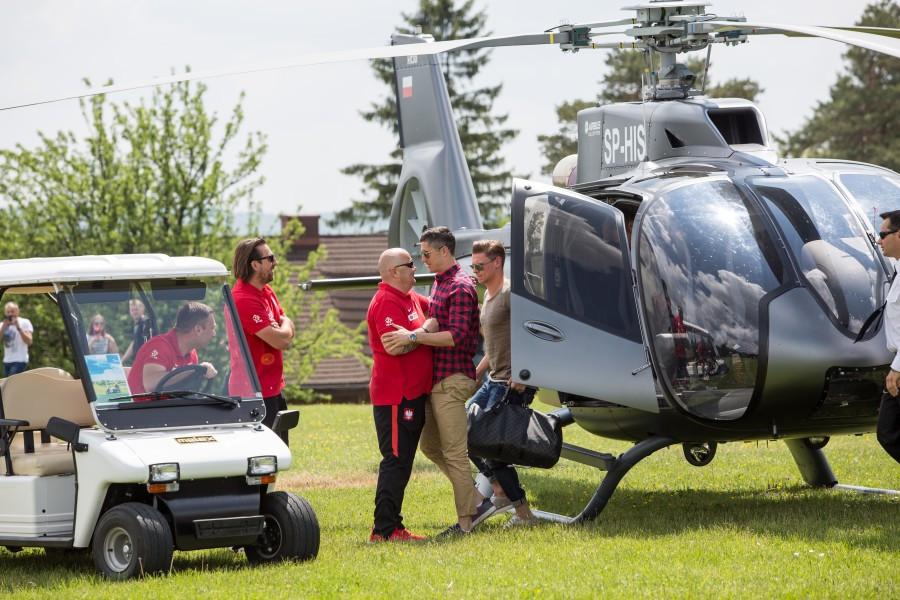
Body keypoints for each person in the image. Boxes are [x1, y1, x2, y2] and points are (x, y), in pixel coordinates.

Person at [382, 226, 494, 536]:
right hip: (437, 381)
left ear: (444, 251)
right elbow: (434, 319)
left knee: (455, 452)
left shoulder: (460, 287)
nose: (422, 259)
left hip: (452, 380)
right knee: (431, 446)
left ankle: (466, 524)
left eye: (426, 254)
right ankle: (477, 499)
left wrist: (413, 337)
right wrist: (416, 333)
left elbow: (456, 336)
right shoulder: (440, 282)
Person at [466, 240, 538, 526]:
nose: (475, 270)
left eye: (479, 265)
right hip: (492, 380)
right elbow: (496, 346)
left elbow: (531, 334)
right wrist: (477, 372)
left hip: (510, 385)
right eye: (473, 266)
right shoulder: (487, 295)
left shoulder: (510, 294)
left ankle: (524, 514)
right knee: (461, 430)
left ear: (497, 262)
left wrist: (522, 374)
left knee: (494, 448)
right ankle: (499, 489)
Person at [366, 248, 432, 543]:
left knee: (403, 461)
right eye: (410, 264)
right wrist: (423, 333)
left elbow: (437, 312)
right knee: (395, 460)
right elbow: (394, 346)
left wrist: (417, 333)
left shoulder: (411, 298)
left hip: (412, 393)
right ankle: (383, 530)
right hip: (396, 396)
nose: (416, 268)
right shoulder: (386, 301)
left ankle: (392, 525)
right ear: (394, 272)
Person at [230, 237, 294, 444]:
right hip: (254, 394)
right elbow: (281, 341)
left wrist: (284, 324)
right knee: (266, 455)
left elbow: (285, 324)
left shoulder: (266, 291)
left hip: (272, 388)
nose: (275, 262)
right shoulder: (243, 299)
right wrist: (283, 326)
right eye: (270, 258)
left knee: (279, 451)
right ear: (255, 265)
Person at [127, 301, 218, 395]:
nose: (214, 334)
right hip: (139, 404)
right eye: (212, 328)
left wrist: (202, 371)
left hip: (169, 404)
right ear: (198, 329)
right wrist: (193, 370)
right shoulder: (160, 346)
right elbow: (150, 384)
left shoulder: (192, 354)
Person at [874, 210, 900, 465]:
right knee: (888, 433)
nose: (879, 240)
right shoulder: (897, 268)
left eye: (883, 234)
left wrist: (898, 368)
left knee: (889, 432)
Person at [1, 302, 33, 377]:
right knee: (9, 383)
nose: (10, 314)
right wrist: (3, 329)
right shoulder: (2, 324)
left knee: (10, 382)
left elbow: (29, 341)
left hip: (20, 360)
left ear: (18, 311)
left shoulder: (25, 322)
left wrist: (18, 328)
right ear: (5, 313)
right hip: (6, 361)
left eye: (12, 311)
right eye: (8, 312)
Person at [122, 299, 153, 365]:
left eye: (136, 309)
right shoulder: (137, 324)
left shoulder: (145, 322)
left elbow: (151, 340)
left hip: (145, 362)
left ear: (142, 310)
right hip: (138, 361)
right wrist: (122, 360)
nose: (134, 312)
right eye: (132, 310)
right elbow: (134, 343)